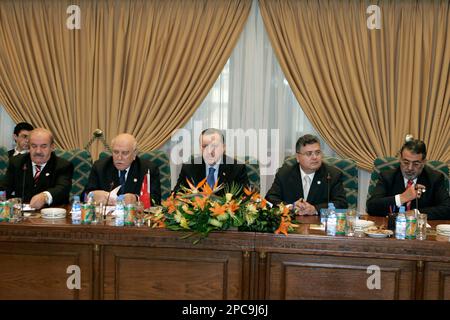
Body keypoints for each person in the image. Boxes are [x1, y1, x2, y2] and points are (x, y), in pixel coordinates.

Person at [366, 139, 450, 220]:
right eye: (405, 162)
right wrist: (402, 197)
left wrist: (417, 213)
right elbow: (371, 207)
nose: (410, 168)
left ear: (424, 162)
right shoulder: (387, 177)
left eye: (416, 164)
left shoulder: (434, 178)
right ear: (400, 159)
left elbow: (447, 209)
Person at [265, 134, 347, 215]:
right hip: (291, 224)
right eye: (309, 153)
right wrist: (289, 207)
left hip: (319, 224)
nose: (315, 157)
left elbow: (341, 204)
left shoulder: (332, 175)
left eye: (317, 152)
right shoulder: (284, 174)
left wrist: (315, 209)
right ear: (297, 157)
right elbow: (269, 200)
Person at [0, 128, 73, 209]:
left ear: (52, 147)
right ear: (29, 147)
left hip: (52, 215)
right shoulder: (17, 162)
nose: (38, 151)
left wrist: (45, 196)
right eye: (34, 146)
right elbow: (4, 188)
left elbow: (62, 189)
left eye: (43, 146)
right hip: (21, 216)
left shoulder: (63, 165)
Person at [84, 133, 161, 205]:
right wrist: (92, 196)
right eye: (116, 152)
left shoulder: (148, 169)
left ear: (134, 154)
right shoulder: (100, 167)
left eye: (125, 153)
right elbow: (83, 196)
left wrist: (136, 199)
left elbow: (156, 200)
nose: (119, 157)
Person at [173, 128, 249, 196]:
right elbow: (177, 194)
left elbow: (245, 197)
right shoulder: (189, 167)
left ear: (223, 147)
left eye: (214, 146)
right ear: (200, 147)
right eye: (205, 146)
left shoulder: (237, 168)